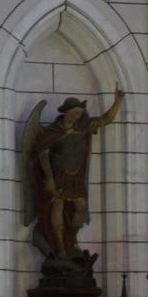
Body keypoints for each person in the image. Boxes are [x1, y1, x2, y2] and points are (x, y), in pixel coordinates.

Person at [23, 86, 124, 262]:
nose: (78, 116)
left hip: (75, 177)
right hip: (58, 176)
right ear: (67, 111)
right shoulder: (54, 131)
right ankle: (60, 248)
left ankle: (71, 241)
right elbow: (41, 153)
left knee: (81, 207)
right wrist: (49, 179)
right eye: (76, 112)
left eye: (80, 113)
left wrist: (118, 102)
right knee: (57, 206)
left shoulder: (82, 126)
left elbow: (105, 119)